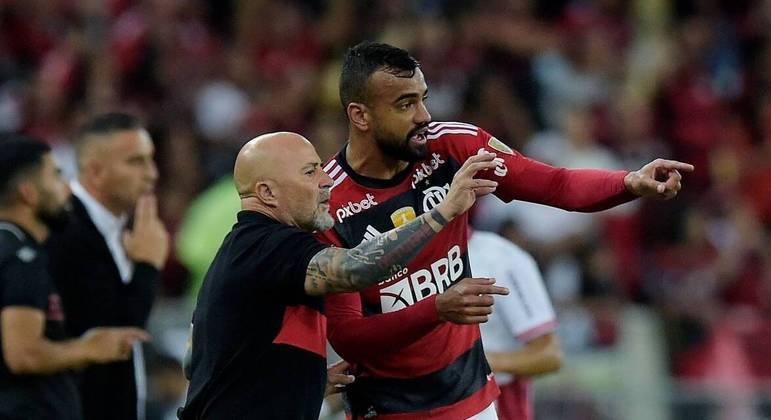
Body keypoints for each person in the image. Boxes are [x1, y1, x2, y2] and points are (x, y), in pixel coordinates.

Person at [316, 41, 693, 419]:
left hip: (473, 403)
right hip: (385, 409)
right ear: (360, 116)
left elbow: (556, 184)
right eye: (404, 105)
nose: (423, 115)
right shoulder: (329, 204)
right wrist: (437, 309)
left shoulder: (453, 145)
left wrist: (629, 182)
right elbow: (348, 336)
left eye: (423, 98)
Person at [178, 131, 506, 419]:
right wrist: (442, 212)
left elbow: (195, 361)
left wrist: (299, 380)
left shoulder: (241, 251)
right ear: (268, 193)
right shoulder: (270, 245)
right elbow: (355, 269)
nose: (327, 180)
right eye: (310, 172)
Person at [0, 135, 150, 419]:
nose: (66, 189)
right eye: (56, 177)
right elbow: (24, 354)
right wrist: (87, 348)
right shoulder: (21, 257)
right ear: (28, 193)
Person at [45, 112, 169, 420]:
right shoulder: (65, 231)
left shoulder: (120, 229)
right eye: (135, 162)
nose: (152, 174)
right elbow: (117, 334)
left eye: (151, 159)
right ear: (96, 172)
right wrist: (147, 265)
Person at [468, 229, 562, 420]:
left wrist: (472, 361)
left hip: (494, 406)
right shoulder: (397, 253)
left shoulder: (501, 257)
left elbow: (550, 354)